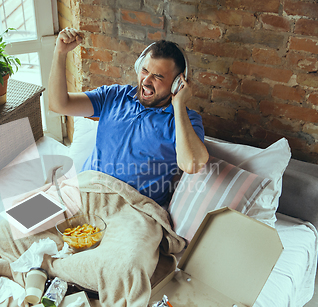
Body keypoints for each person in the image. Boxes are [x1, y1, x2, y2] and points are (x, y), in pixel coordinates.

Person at [48, 28, 209, 205]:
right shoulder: (114, 95)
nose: (146, 81)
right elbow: (59, 104)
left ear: (177, 83)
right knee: (20, 220)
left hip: (130, 207)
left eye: (158, 76)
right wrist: (60, 53)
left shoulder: (184, 121)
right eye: (145, 70)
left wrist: (178, 105)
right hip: (83, 190)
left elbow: (191, 165)